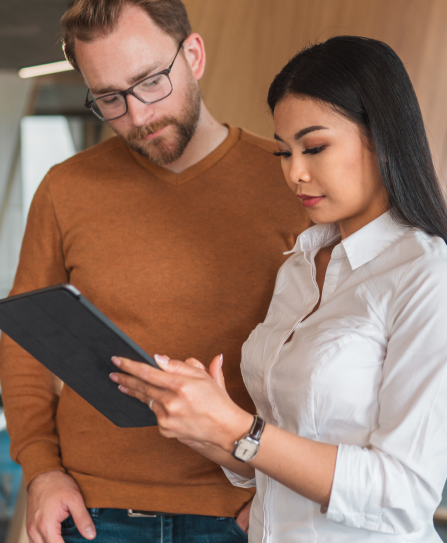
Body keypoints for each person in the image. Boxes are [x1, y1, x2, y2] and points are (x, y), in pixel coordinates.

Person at [111, 35, 447, 542]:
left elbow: (403, 496)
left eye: (314, 147)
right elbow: (268, 459)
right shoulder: (301, 263)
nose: (295, 172)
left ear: (382, 136)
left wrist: (237, 430)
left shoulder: (426, 275)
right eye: (284, 152)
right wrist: (203, 421)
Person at [0, 1, 309, 542]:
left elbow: (329, 357)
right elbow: (26, 340)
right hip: (94, 511)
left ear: (193, 55)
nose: (138, 116)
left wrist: (280, 489)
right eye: (110, 98)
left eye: (150, 82)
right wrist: (41, 470)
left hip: (243, 512)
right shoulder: (65, 189)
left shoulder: (293, 185)